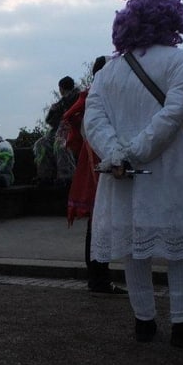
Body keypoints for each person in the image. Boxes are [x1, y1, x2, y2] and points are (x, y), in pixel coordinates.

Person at [84, 0, 183, 348]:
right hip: (170, 167)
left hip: (119, 172)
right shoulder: (179, 61)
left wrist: (117, 154)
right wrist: (136, 151)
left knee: (132, 248)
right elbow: (175, 113)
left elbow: (92, 120)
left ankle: (144, 321)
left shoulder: (108, 72)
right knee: (180, 246)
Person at [62, 55, 127, 295]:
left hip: (95, 164)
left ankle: (98, 277)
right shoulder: (96, 100)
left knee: (99, 222)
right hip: (98, 165)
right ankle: (98, 278)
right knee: (100, 222)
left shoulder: (92, 99)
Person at [33, 76, 80, 185]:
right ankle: (45, 176)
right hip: (59, 131)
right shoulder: (61, 103)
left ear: (61, 88)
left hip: (73, 131)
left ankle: (66, 176)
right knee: (41, 143)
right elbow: (50, 121)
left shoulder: (78, 98)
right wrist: (53, 111)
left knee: (60, 143)